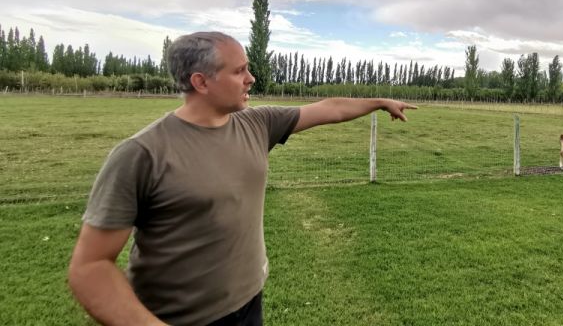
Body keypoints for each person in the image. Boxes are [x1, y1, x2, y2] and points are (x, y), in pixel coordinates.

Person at [68, 31, 417, 326]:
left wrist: (379, 102)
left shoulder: (257, 124)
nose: (251, 78)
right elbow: (90, 267)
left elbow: (329, 108)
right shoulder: (142, 153)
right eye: (240, 71)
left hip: (249, 303)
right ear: (200, 81)